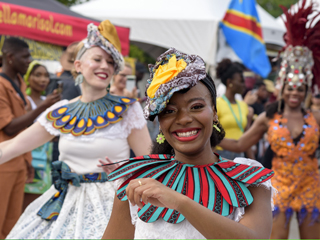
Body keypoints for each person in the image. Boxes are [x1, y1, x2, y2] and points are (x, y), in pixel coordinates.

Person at [102, 48, 275, 239]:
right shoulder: (137, 182)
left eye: (196, 107)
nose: (184, 119)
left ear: (215, 113)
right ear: (160, 122)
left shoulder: (248, 180)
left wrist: (179, 202)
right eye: (169, 111)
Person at [0, 20, 151, 239]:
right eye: (97, 59)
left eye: (110, 62)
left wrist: (124, 173)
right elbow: (12, 147)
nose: (105, 66)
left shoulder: (128, 109)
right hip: (64, 203)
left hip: (112, 205)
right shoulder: (61, 111)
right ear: (78, 65)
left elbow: (149, 163)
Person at [219, 1, 320, 238]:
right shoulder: (268, 117)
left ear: (306, 90)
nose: (294, 93)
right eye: (290, 88)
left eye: (300, 89)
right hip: (280, 188)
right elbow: (241, 145)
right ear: (282, 87)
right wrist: (210, 137)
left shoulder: (315, 117)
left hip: (311, 189)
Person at [0, 37, 60, 239]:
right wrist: (44, 107)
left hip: (19, 162)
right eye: (25, 56)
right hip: (4, 163)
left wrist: (27, 160)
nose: (29, 60)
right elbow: (9, 127)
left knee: (13, 223)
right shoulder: (1, 85)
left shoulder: (17, 83)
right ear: (10, 57)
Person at [23, 61, 59, 210]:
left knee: (39, 202)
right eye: (38, 75)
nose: (43, 79)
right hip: (29, 156)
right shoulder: (25, 100)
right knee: (25, 202)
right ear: (28, 78)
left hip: (46, 157)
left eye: (46, 76)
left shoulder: (48, 101)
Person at [214, 59, 254, 159]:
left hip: (240, 156)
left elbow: (247, 136)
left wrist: (254, 162)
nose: (244, 85)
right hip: (221, 155)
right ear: (229, 82)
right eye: (241, 81)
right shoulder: (217, 104)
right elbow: (210, 137)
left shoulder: (243, 106)